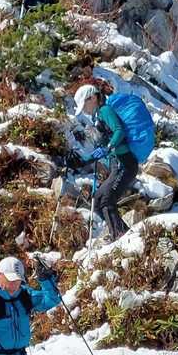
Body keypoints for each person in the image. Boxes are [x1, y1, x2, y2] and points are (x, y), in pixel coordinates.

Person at [74, 83, 139, 242]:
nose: (84, 110)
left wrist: (108, 148)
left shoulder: (105, 110)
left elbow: (119, 130)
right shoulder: (98, 117)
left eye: (84, 105)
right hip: (117, 165)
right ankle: (124, 235)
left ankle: (119, 238)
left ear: (93, 98)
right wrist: (84, 160)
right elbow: (104, 143)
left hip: (125, 163)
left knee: (106, 200)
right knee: (97, 200)